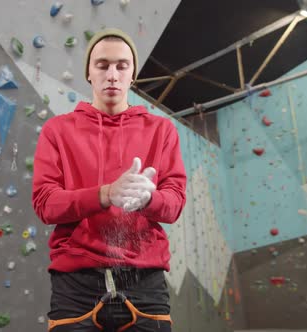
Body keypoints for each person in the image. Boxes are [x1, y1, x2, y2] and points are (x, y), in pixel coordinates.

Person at [32, 28, 187, 332]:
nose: (112, 75)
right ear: (89, 73)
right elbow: (46, 204)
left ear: (133, 74)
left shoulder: (162, 130)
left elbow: (175, 204)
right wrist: (104, 194)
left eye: (122, 65)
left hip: (145, 282)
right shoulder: (57, 130)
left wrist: (150, 200)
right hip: (75, 286)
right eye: (102, 65)